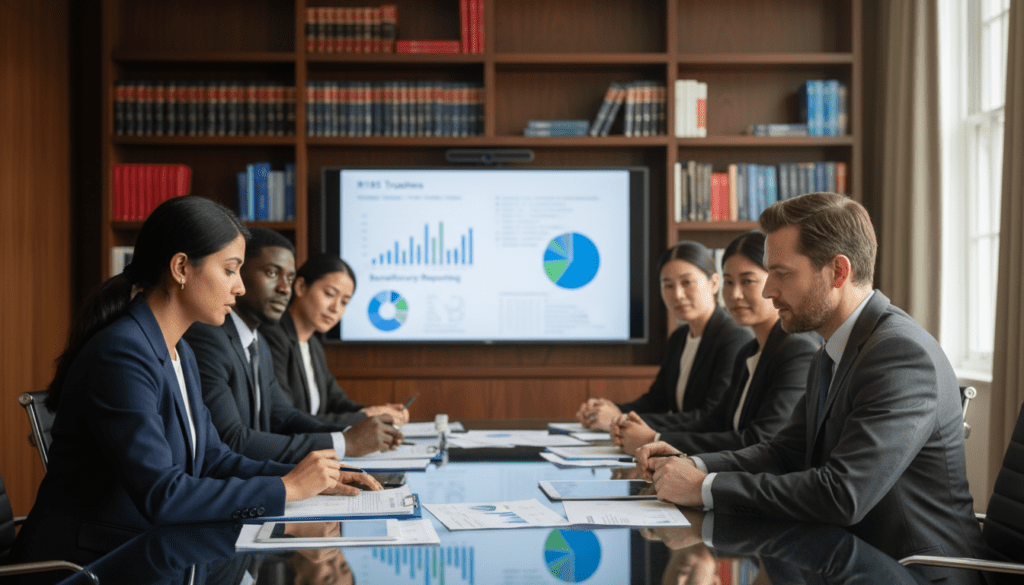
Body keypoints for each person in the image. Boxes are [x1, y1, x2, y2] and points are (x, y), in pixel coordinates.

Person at [636, 193, 986, 585]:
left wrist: (704, 488)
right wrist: (693, 464)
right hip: (850, 561)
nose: (768, 290)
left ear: (837, 272)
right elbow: (785, 452)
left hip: (914, 572)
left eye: (781, 273)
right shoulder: (832, 349)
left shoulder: (899, 354)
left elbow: (843, 494)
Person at [11, 197, 380, 568]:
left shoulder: (180, 350)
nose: (238, 287)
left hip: (152, 551)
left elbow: (213, 458)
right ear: (182, 268)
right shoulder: (121, 353)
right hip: (94, 564)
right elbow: (163, 494)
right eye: (231, 270)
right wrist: (287, 489)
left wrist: (308, 479)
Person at [184, 228, 401, 463]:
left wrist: (350, 434)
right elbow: (233, 441)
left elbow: (285, 416)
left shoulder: (259, 343)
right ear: (238, 273)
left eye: (288, 278)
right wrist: (345, 442)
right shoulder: (208, 338)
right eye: (271, 272)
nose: (284, 288)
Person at [610, 231, 817, 455]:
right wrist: (645, 433)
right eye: (729, 282)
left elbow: (761, 439)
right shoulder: (749, 351)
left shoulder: (797, 351)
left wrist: (656, 438)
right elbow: (715, 421)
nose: (735, 294)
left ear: (775, 281)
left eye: (748, 281)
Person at [576, 241, 753, 431]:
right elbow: (656, 401)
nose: (677, 294)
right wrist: (609, 410)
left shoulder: (735, 339)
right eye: (668, 285)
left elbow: (709, 416)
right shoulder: (679, 338)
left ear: (714, 283)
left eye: (687, 283)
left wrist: (620, 419)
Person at [261, 253, 409, 427]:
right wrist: (366, 416)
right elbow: (286, 419)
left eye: (344, 302)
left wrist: (378, 413)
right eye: (329, 294)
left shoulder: (313, 344)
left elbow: (336, 403)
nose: (335, 308)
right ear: (301, 286)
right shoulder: (273, 337)